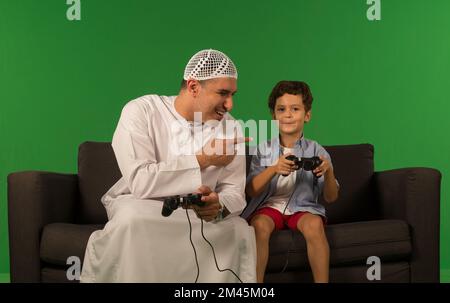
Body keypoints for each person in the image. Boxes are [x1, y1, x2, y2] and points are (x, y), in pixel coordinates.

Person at [80, 49, 257, 283]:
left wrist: (218, 206)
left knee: (240, 229)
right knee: (132, 219)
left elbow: (234, 191)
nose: (230, 104)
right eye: (223, 93)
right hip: (146, 205)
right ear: (194, 87)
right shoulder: (142, 111)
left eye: (233, 94)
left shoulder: (230, 127)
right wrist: (203, 160)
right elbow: (141, 181)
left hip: (198, 215)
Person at [241, 81, 339, 283]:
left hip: (302, 208)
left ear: (307, 115)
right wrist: (274, 169)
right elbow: (251, 190)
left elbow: (331, 197)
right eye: (281, 109)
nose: (288, 115)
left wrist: (328, 171)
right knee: (258, 226)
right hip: (270, 207)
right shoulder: (263, 150)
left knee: (314, 225)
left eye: (295, 109)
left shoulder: (316, 150)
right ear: (274, 116)